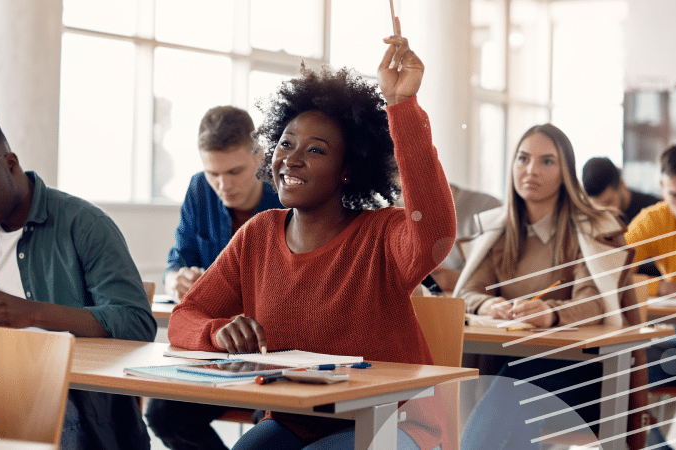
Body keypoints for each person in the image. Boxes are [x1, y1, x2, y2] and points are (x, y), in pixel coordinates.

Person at [168, 28, 457, 450]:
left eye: (316, 150)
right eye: (286, 143)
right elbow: (184, 317)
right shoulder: (260, 234)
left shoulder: (381, 235)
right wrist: (217, 332)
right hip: (300, 420)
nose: (292, 158)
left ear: (348, 168)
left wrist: (401, 105)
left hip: (395, 422)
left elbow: (434, 231)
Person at [0, 109, 156, 450]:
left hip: (72, 398)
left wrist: (31, 313)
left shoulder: (84, 224)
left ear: (10, 163)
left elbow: (137, 322)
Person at [455, 124, 648, 450]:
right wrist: (487, 305)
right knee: (508, 392)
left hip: (582, 374)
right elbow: (469, 291)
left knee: (508, 392)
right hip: (513, 369)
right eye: (523, 158)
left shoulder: (591, 228)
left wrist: (551, 312)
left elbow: (594, 301)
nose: (531, 170)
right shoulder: (498, 229)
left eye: (547, 162)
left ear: (566, 174)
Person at [147, 106, 281, 450]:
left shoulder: (286, 196)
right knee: (162, 413)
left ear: (259, 155)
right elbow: (179, 258)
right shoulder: (198, 189)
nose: (223, 185)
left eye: (234, 171)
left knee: (268, 425)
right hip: (217, 350)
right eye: (213, 173)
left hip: (274, 347)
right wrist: (177, 278)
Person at [624, 142, 676, 449]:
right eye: (674, 195)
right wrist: (663, 287)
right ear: (662, 189)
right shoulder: (654, 220)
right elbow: (608, 273)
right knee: (619, 380)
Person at [582, 156, 662, 277]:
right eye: (598, 208)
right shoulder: (591, 218)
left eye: (608, 203)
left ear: (622, 185)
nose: (605, 212)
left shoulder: (654, 209)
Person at [421, 184, 501, 294]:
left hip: (468, 302)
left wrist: (463, 281)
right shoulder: (393, 208)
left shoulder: (488, 207)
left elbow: (508, 282)